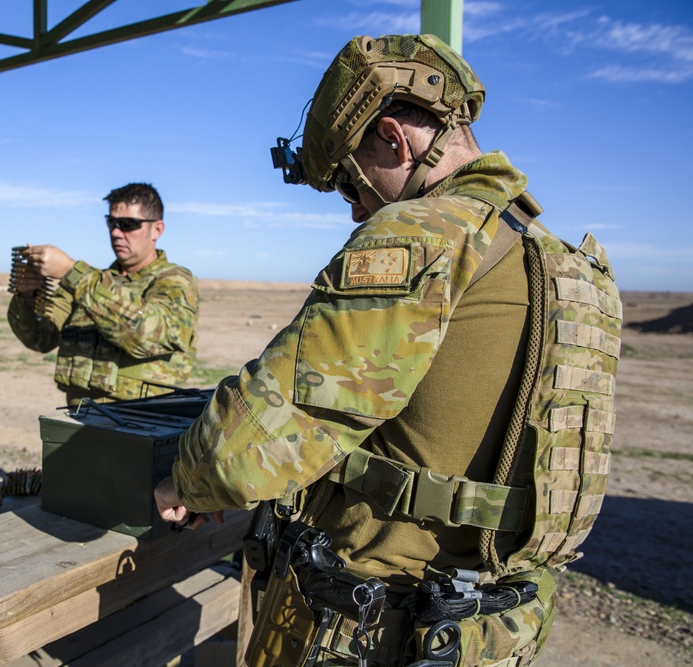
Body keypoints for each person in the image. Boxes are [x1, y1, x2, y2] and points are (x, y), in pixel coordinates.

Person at [155, 34, 621, 667]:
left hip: (372, 623)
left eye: (350, 180)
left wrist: (186, 480)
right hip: (488, 629)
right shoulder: (567, 263)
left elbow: (260, 440)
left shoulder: (423, 233)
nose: (354, 210)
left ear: (397, 140)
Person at [7, 182, 199, 404]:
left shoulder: (173, 280)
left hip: (143, 424)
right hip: (79, 419)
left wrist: (73, 272)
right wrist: (27, 296)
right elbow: (39, 338)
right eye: (112, 223)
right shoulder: (91, 284)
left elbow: (149, 335)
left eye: (128, 224)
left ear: (156, 230)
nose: (116, 233)